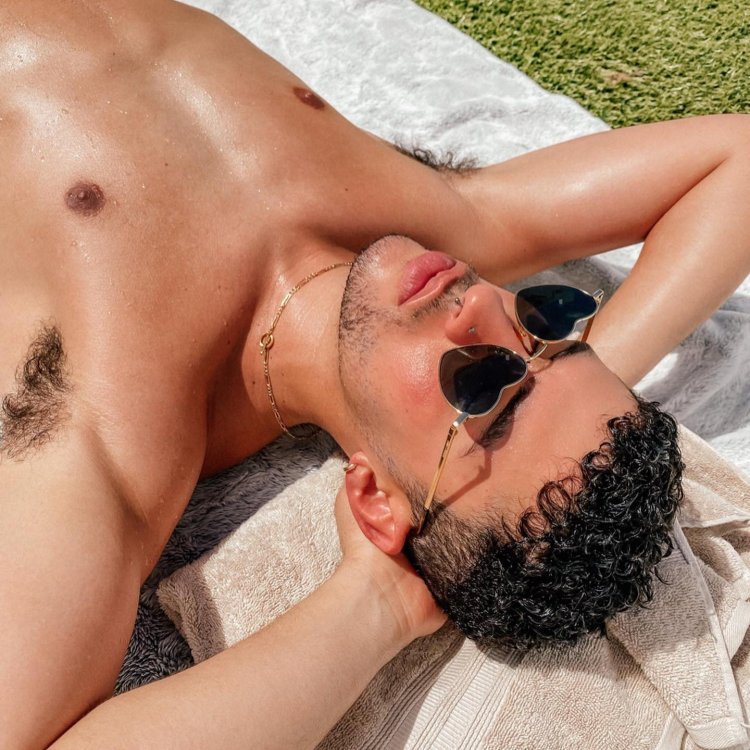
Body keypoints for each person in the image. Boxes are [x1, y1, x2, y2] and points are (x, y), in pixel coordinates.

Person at [1, 0, 749, 747]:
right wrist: (583, 381)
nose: (482, 304)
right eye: (548, 327)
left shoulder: (115, 417)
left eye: (484, 385)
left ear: (378, 501)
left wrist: (377, 605)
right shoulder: (443, 222)